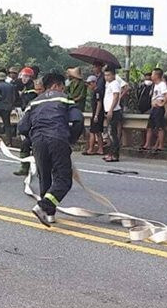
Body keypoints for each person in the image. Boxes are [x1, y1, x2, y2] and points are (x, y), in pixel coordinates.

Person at [18, 72, 84, 227]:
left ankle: (49, 215)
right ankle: (43, 206)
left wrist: (33, 137)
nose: (63, 89)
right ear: (56, 85)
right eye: (62, 86)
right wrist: (70, 139)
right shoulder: (64, 98)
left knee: (44, 177)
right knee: (63, 179)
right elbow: (78, 120)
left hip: (38, 142)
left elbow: (21, 127)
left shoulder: (34, 102)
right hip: (57, 138)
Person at [13, 67, 39, 176]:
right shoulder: (21, 87)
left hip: (34, 121)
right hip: (27, 120)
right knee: (25, 144)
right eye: (24, 76)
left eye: (27, 76)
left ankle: (40, 168)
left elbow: (28, 104)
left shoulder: (32, 91)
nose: (24, 78)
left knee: (37, 146)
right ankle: (24, 167)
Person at [102, 67, 129, 162]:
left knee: (112, 133)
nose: (106, 77)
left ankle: (115, 154)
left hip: (113, 110)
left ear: (113, 75)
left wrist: (111, 110)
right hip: (109, 109)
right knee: (110, 133)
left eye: (108, 75)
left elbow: (116, 97)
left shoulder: (114, 83)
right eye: (105, 75)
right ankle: (110, 153)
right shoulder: (108, 84)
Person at [142, 68, 167, 151]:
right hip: (154, 108)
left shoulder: (162, 84)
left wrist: (162, 103)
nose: (151, 76)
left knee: (160, 127)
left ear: (156, 75)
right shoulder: (155, 85)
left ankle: (160, 145)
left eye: (153, 74)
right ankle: (147, 144)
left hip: (159, 109)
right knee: (150, 126)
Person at [83, 75, 104, 156]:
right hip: (96, 114)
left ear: (94, 83)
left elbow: (99, 103)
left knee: (93, 132)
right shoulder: (95, 91)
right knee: (98, 132)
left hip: (97, 114)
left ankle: (91, 149)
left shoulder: (97, 91)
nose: (88, 86)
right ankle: (100, 149)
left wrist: (96, 115)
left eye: (89, 83)